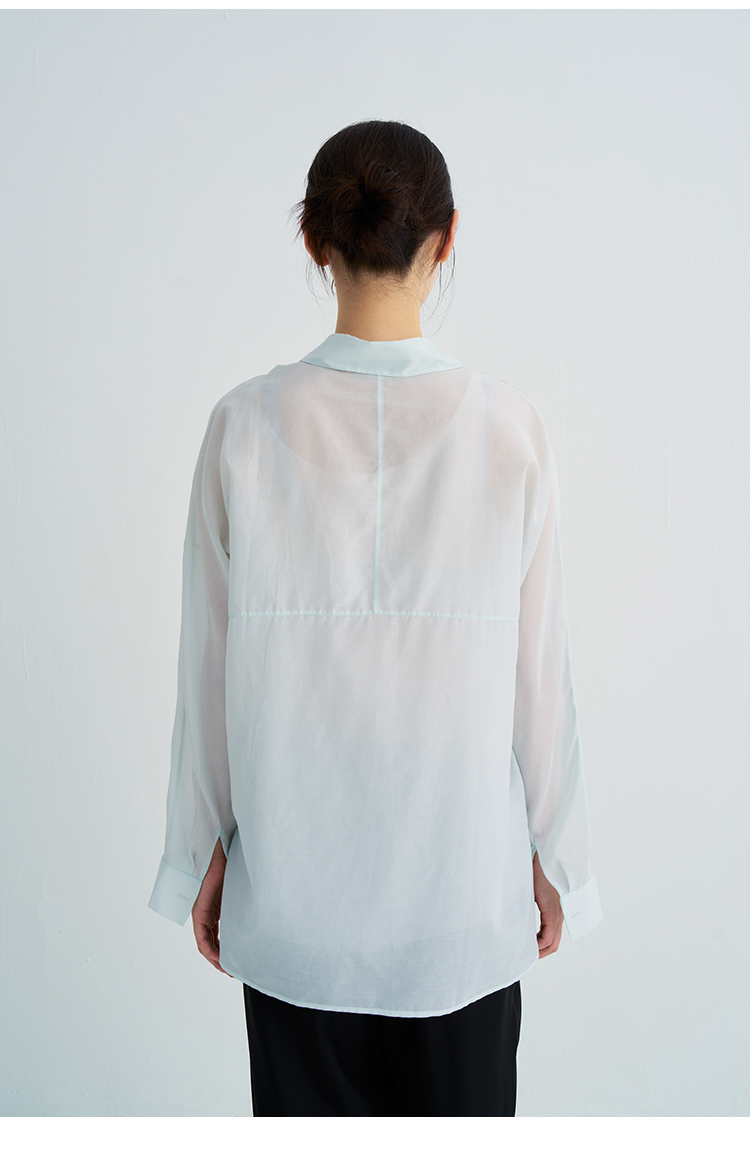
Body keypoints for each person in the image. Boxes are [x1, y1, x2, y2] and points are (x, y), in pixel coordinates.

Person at [148, 119, 603, 1117]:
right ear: (449, 236)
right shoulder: (509, 429)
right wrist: (559, 858)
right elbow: (542, 674)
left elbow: (207, 670)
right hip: (462, 910)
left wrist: (198, 851)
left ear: (313, 239)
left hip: (295, 909)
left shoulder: (243, 427)